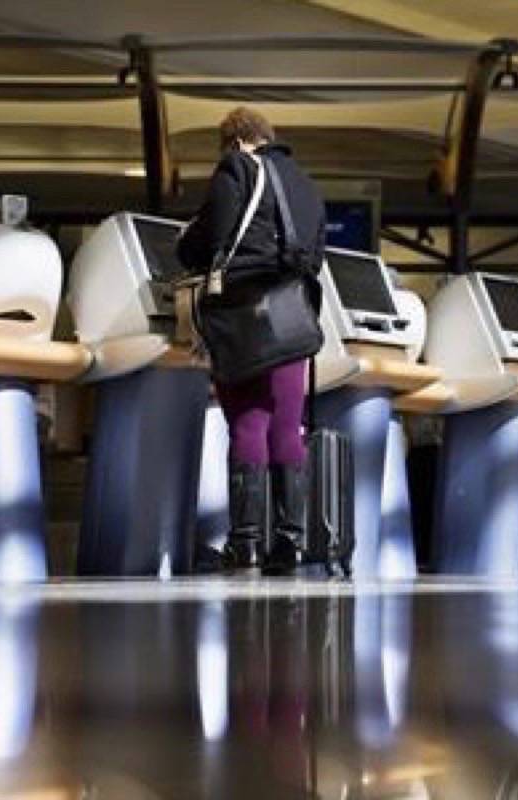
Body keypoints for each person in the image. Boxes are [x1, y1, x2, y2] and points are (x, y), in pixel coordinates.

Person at [177, 106, 326, 575]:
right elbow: (316, 254)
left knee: (247, 420)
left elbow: (214, 233)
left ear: (236, 142)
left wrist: (187, 244)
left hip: (245, 312)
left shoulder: (237, 167)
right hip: (292, 313)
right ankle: (291, 542)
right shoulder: (305, 183)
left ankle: (247, 545)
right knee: (287, 425)